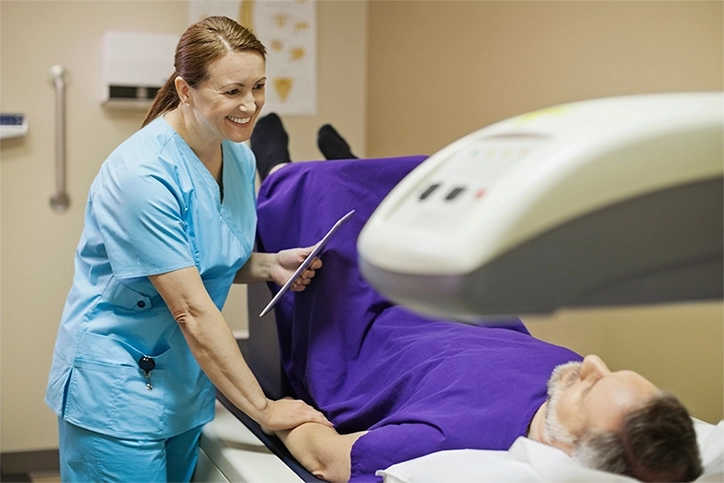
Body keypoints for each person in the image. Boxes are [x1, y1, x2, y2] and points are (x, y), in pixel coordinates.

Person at [249, 116, 704, 483]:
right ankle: (352, 167)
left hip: (374, 334)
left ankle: (277, 169)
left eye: (591, 388)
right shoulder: (568, 390)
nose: (592, 363)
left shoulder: (452, 441)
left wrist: (282, 415)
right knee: (428, 187)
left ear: (570, 449)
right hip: (464, 319)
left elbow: (330, 460)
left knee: (327, 218)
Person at [44, 16, 332, 483]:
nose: (250, 104)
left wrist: (267, 265)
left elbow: (208, 255)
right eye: (232, 90)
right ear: (185, 89)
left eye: (258, 87)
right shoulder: (141, 173)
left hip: (183, 384)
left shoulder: (237, 154)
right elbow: (192, 309)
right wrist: (263, 408)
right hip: (118, 390)